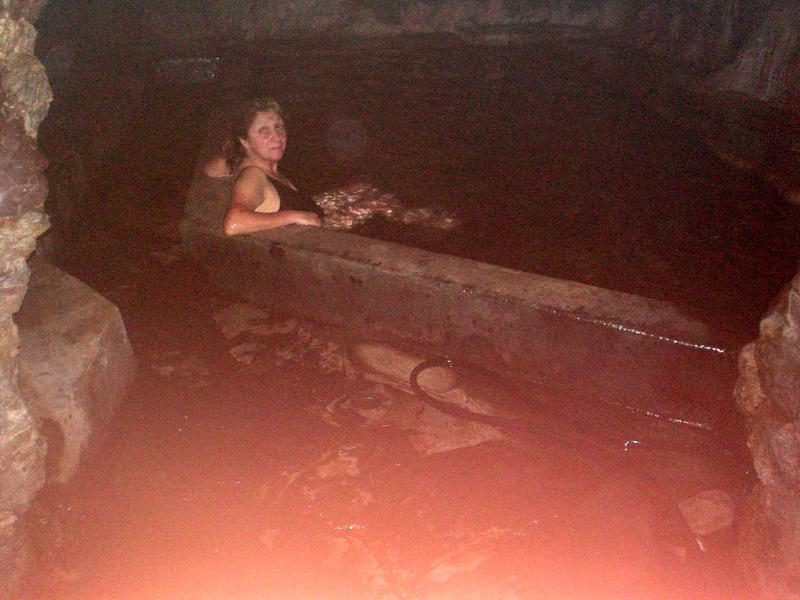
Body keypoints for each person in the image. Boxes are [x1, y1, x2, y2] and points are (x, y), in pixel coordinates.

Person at [216, 98, 322, 235]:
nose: (277, 137)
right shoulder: (253, 175)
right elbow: (234, 224)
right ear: (244, 140)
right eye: (263, 130)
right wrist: (294, 216)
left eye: (278, 127)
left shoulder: (276, 172)